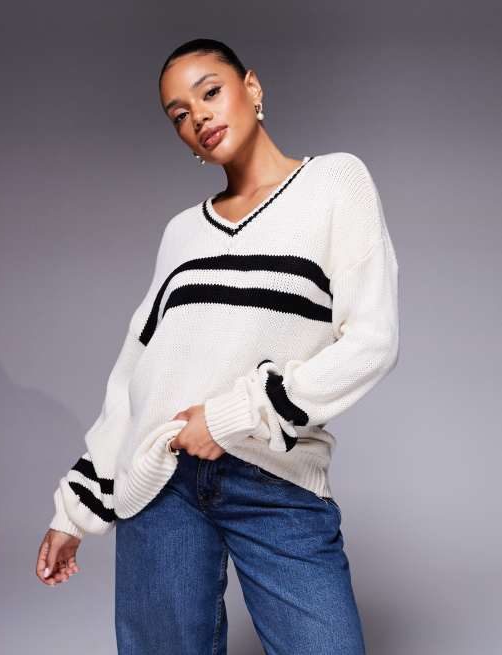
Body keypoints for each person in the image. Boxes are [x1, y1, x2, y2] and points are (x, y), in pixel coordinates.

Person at [35, 37, 399, 655]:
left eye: (210, 92)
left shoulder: (336, 182)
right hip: (162, 480)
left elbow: (371, 341)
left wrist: (233, 416)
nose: (199, 116)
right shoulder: (182, 232)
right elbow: (135, 373)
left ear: (251, 88)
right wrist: (74, 512)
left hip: (273, 478)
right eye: (179, 113)